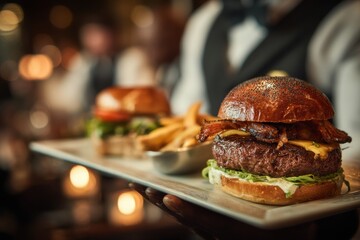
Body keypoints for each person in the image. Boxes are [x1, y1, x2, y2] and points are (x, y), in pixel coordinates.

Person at [131, 0, 360, 239]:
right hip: (205, 214)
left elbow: (359, 150)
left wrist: (320, 229)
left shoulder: (346, 18)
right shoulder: (204, 21)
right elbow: (185, 107)